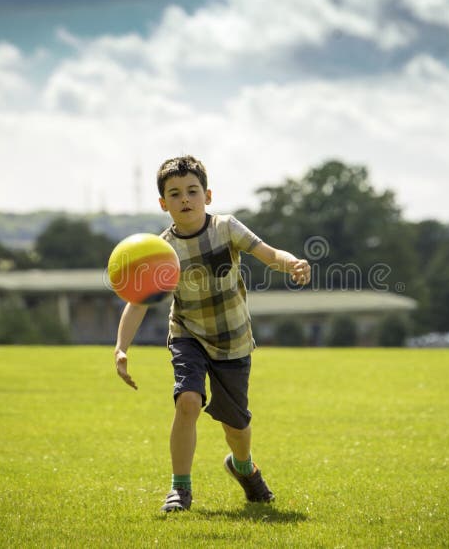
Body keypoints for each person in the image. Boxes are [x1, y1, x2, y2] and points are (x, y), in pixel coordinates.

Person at [113, 155, 311, 513]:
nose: (184, 199)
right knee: (187, 401)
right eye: (174, 194)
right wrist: (121, 348)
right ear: (163, 204)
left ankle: (244, 467)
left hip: (233, 340)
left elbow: (268, 254)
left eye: (192, 191)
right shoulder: (161, 250)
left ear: (207, 194)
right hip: (188, 335)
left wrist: (292, 262)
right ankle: (180, 489)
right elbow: (139, 302)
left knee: (235, 428)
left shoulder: (227, 228)